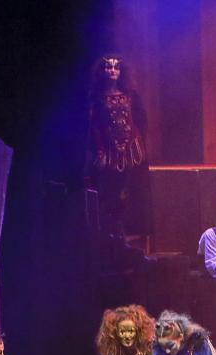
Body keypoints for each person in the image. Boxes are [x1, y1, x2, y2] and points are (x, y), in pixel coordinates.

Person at [86, 53, 151, 238]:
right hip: (108, 152)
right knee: (108, 191)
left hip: (131, 152)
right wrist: (99, 150)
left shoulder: (131, 95)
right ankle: (109, 231)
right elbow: (93, 126)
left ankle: (126, 231)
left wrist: (138, 141)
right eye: (108, 67)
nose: (112, 70)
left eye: (116, 67)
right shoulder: (97, 98)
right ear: (102, 71)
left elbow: (141, 119)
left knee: (128, 190)